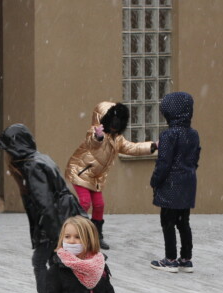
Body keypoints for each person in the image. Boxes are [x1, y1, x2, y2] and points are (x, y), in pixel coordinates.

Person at [0, 123, 84, 293]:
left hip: (54, 220)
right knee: (54, 263)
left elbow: (44, 203)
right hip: (62, 216)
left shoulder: (31, 166)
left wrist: (55, 236)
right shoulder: (40, 158)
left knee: (44, 262)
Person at [65, 101, 157, 250]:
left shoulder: (117, 139)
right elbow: (92, 142)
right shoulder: (94, 131)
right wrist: (98, 136)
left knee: (99, 205)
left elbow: (131, 148)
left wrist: (151, 146)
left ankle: (96, 236)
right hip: (80, 172)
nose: (114, 129)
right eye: (112, 126)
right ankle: (74, 234)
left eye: (116, 128)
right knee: (85, 203)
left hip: (96, 177)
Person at [150, 92, 201, 272]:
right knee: (183, 222)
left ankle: (170, 259)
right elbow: (195, 158)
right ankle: (186, 258)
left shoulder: (168, 135)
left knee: (168, 222)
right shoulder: (193, 134)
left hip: (170, 185)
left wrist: (155, 180)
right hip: (188, 183)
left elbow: (164, 163)